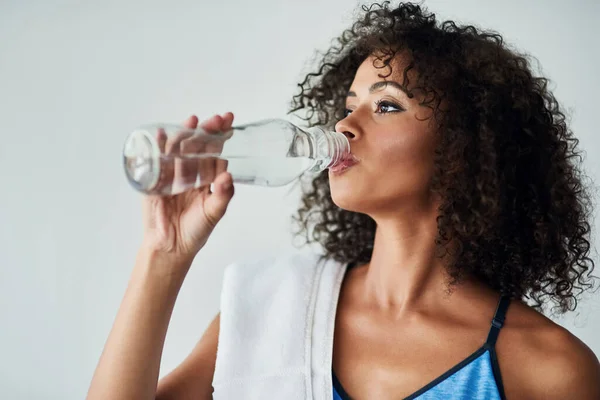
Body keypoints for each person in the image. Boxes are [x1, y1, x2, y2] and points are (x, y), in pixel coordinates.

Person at [87, 2, 600, 399]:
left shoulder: (548, 367)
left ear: (469, 147)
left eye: (386, 104)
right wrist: (162, 255)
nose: (345, 126)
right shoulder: (270, 307)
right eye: (349, 104)